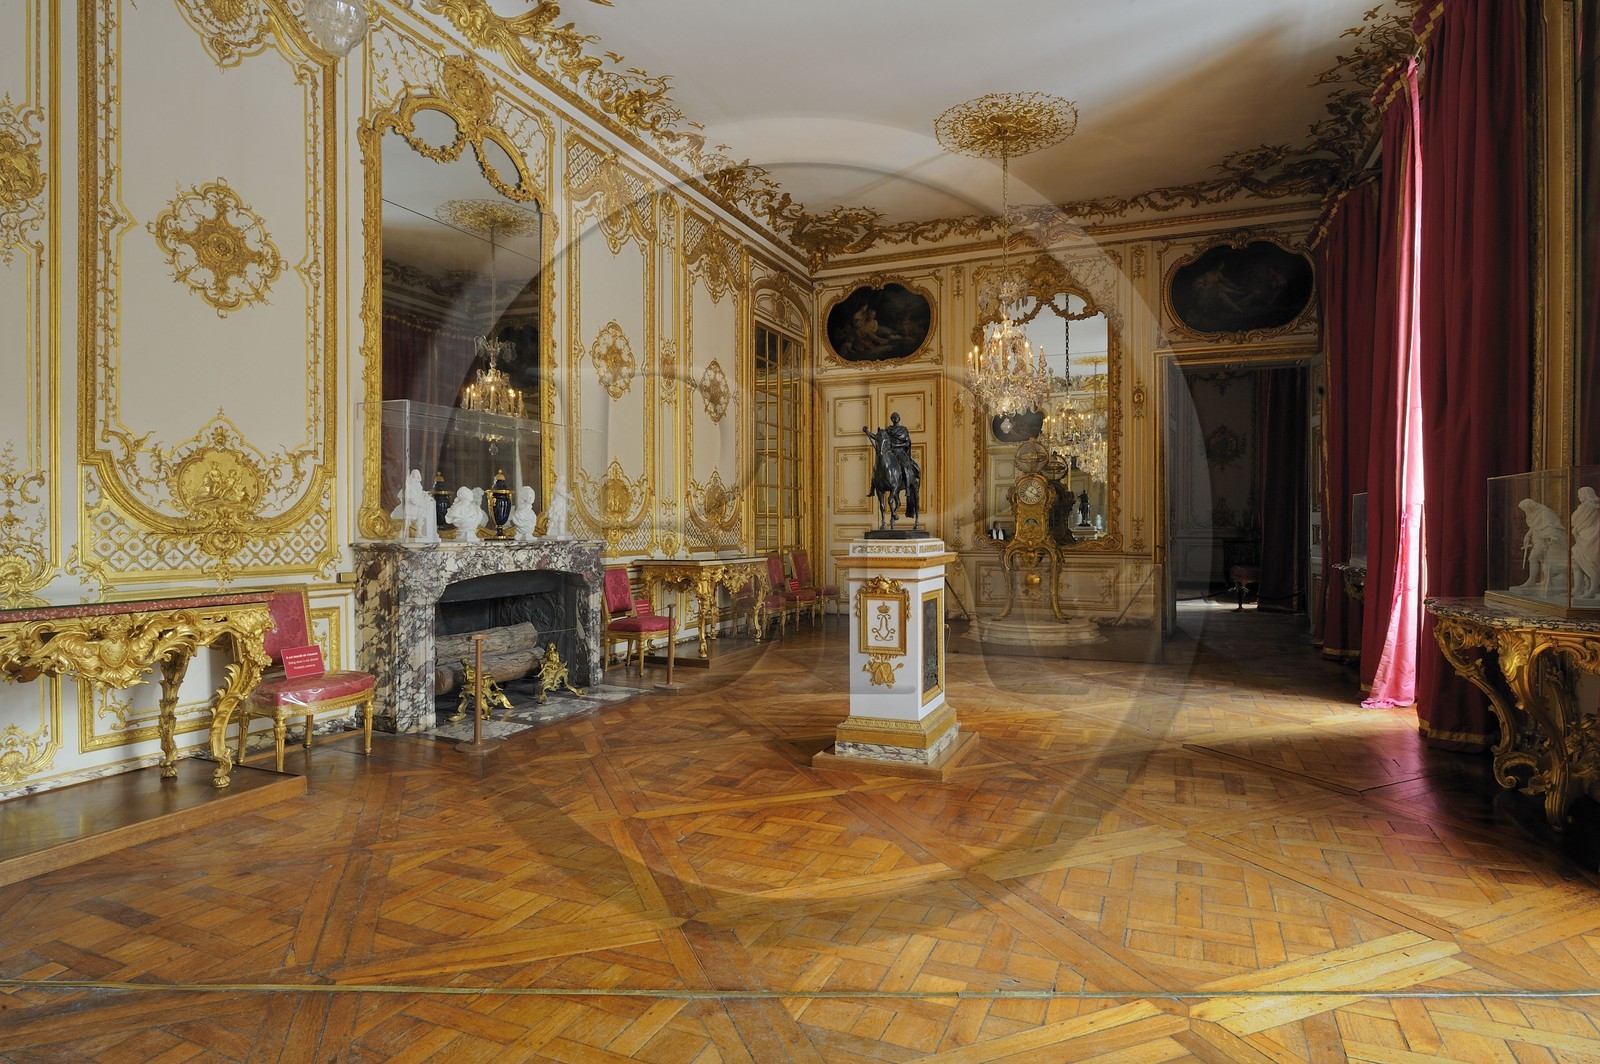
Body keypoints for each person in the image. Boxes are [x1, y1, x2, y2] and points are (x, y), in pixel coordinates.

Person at [862, 412, 921, 529]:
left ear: (898, 419)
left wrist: (898, 445)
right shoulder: (887, 430)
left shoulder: (903, 430)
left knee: (905, 466)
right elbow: (878, 437)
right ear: (892, 419)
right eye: (893, 418)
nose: (895, 419)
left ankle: (908, 487)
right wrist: (867, 432)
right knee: (876, 470)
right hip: (890, 452)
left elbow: (907, 442)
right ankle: (873, 487)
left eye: (896, 418)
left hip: (900, 452)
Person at [1516, 497, 1570, 593]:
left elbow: (1551, 527)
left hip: (1548, 539)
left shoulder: (1544, 513)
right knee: (1541, 560)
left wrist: (1552, 539)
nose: (1525, 511)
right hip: (1539, 538)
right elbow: (1535, 526)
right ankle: (1541, 580)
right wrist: (1527, 536)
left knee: (1535, 558)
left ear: (1530, 506)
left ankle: (1532, 581)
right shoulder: (1533, 513)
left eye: (1525, 509)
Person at [389, 469, 439, 543]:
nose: (417, 479)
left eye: (418, 476)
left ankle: (418, 532)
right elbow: (401, 495)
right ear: (412, 477)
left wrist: (424, 495)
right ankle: (403, 532)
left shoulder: (418, 485)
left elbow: (420, 493)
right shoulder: (409, 485)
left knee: (422, 513)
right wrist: (409, 499)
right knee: (408, 518)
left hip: (418, 504)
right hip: (410, 505)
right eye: (415, 477)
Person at [1573, 486, 1600, 598]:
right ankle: (1577, 588)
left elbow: (1573, 519)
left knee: (1590, 564)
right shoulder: (1594, 506)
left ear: (1588, 494)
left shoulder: (1587, 507)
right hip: (1583, 536)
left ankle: (1592, 590)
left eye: (1581, 494)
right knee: (1577, 562)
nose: (1579, 496)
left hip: (1589, 537)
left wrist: (1576, 527)